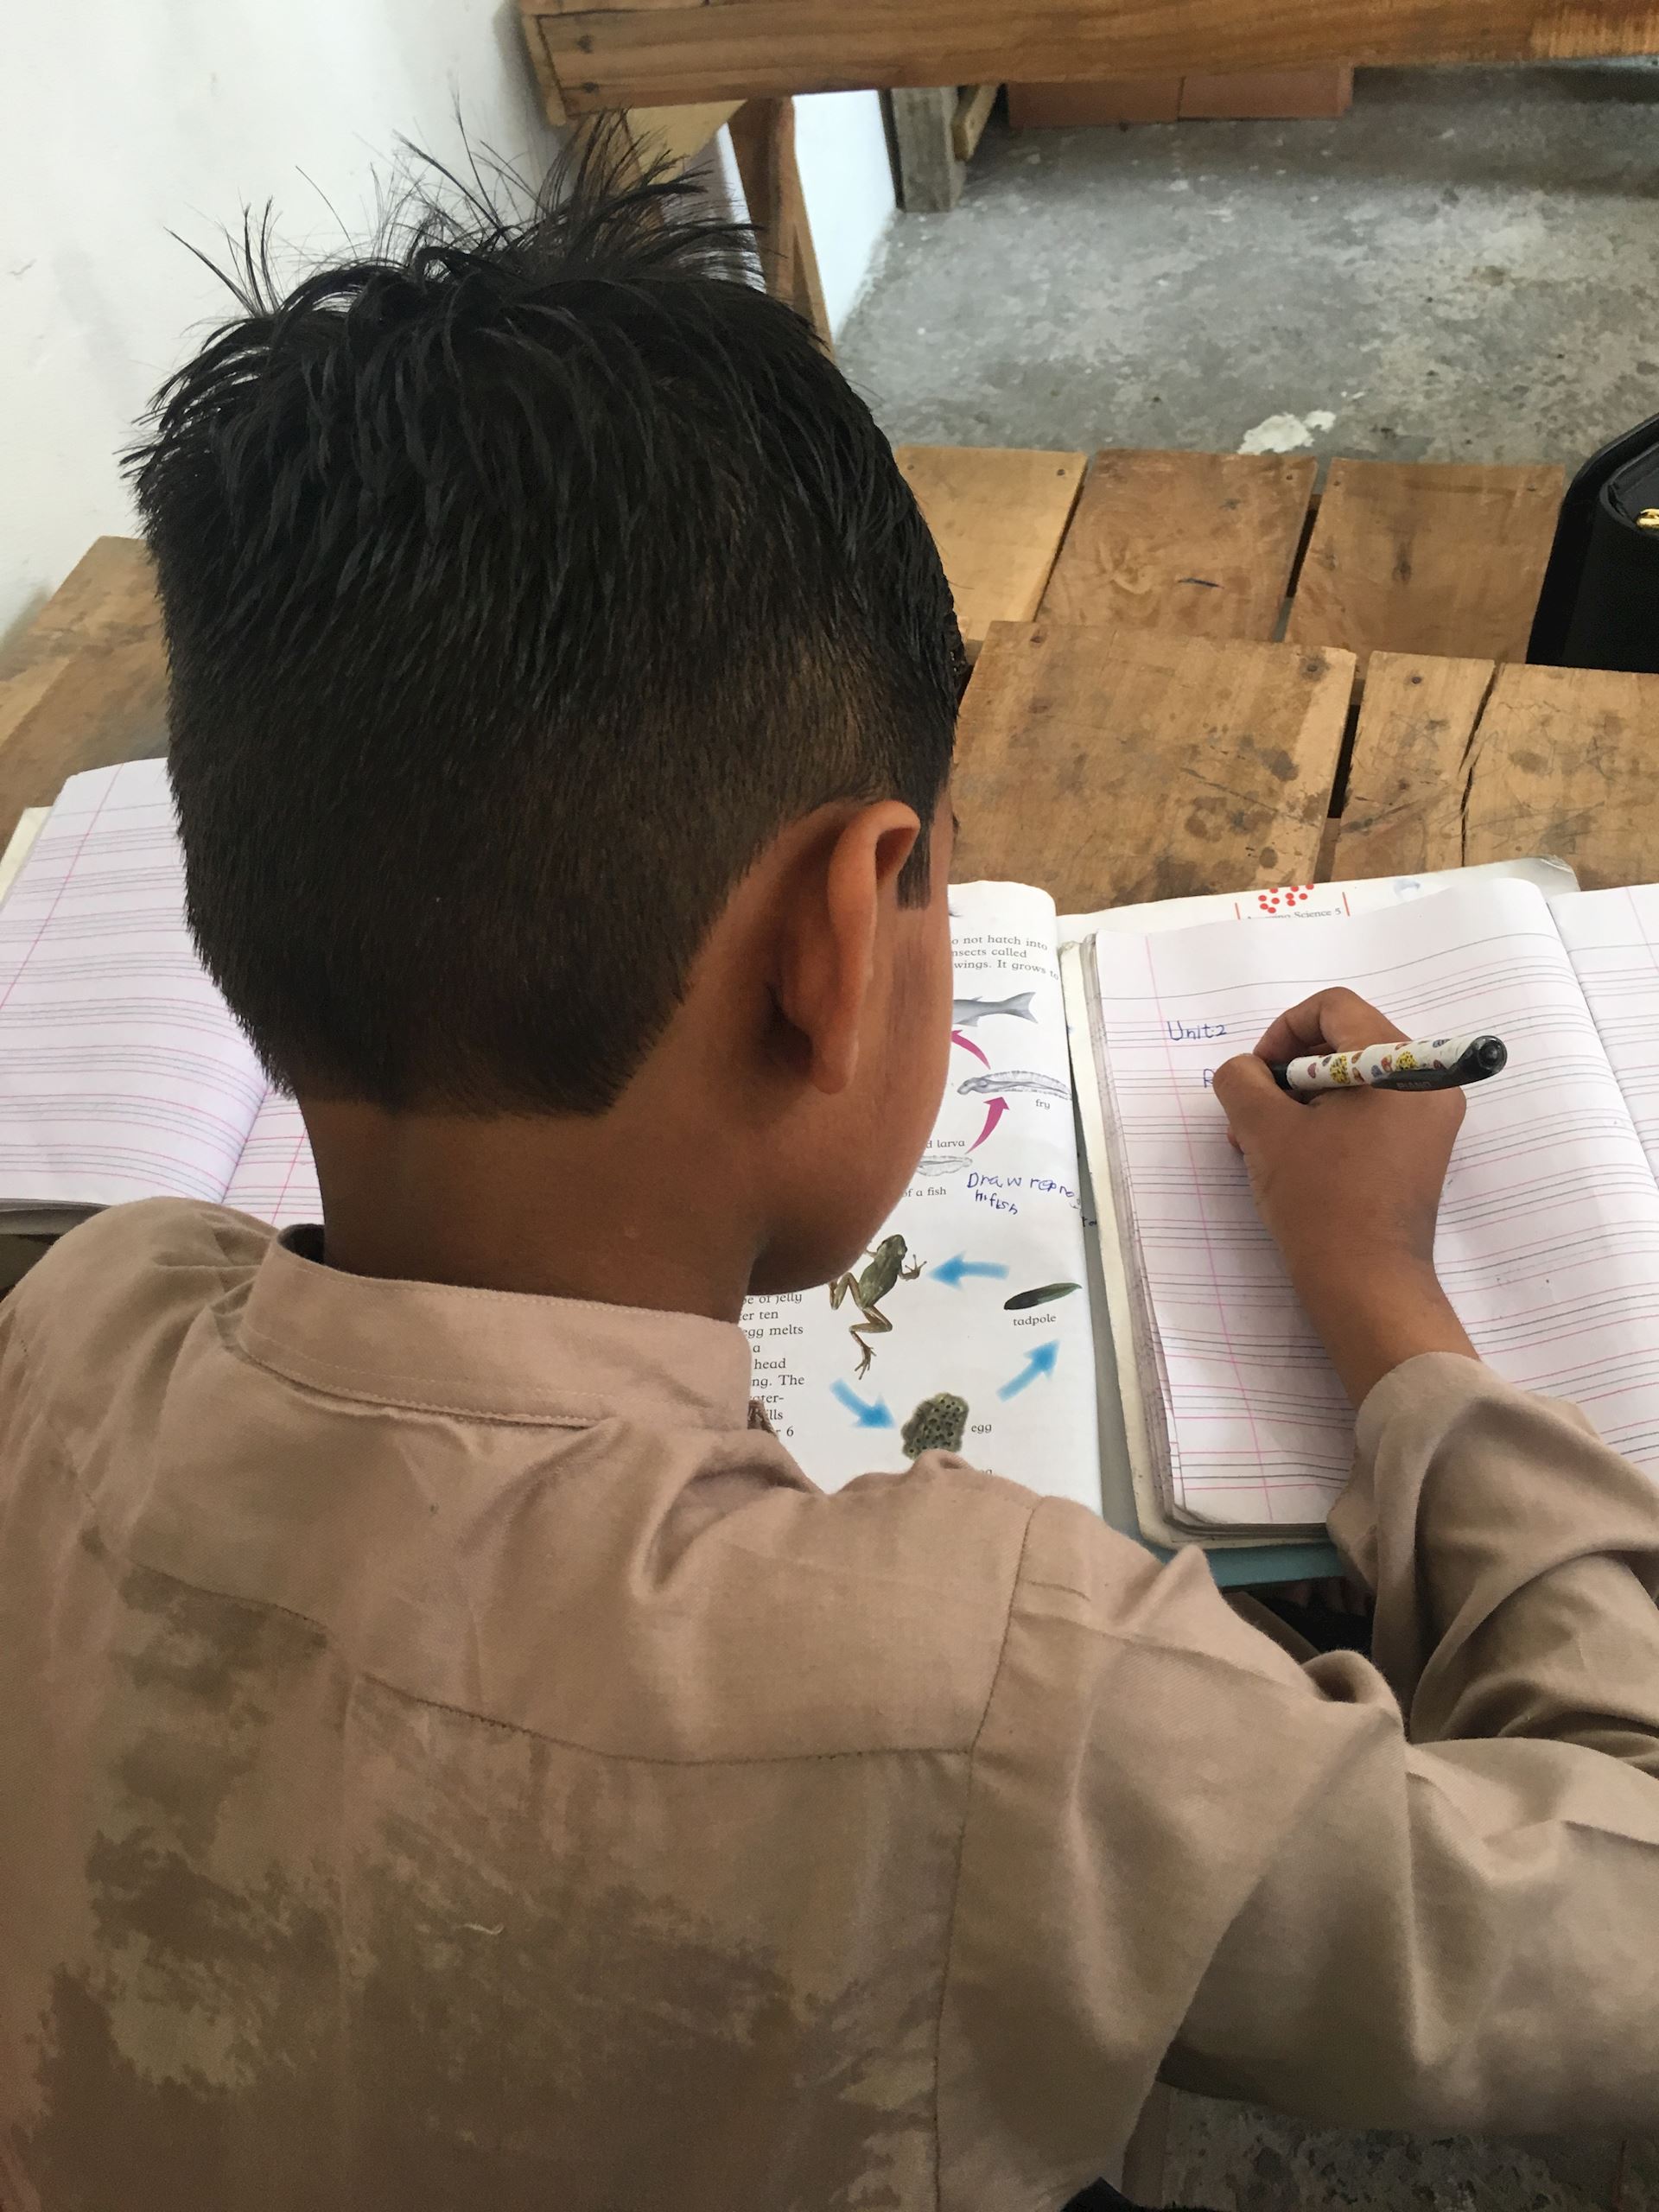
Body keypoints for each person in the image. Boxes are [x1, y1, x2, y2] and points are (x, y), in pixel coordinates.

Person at [2, 147, 1656, 2212]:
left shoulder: (78, 1323)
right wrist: (1396, 1315)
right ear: (840, 937)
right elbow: (1623, 1905)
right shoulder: (1011, 1692)